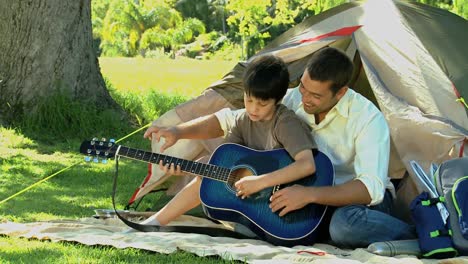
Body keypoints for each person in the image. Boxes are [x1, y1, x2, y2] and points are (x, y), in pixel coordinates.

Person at [214, 47, 417, 248]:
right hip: (306, 194)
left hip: (357, 202)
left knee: (343, 226)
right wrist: (181, 131)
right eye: (303, 86)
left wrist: (309, 195)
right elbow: (236, 118)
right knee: (263, 220)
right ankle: (321, 230)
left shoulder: (368, 118)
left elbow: (369, 190)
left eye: (316, 96)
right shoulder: (294, 98)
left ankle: (418, 236)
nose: (304, 98)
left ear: (341, 93)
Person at [138, 55, 317, 233]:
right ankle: (157, 221)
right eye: (249, 100)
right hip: (254, 204)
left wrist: (260, 182)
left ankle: (157, 221)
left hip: (284, 210)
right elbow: (222, 162)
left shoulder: (285, 123)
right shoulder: (242, 120)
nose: (253, 109)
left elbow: (307, 165)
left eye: (262, 104)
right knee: (208, 172)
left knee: (238, 224)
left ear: (278, 100)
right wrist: (186, 169)